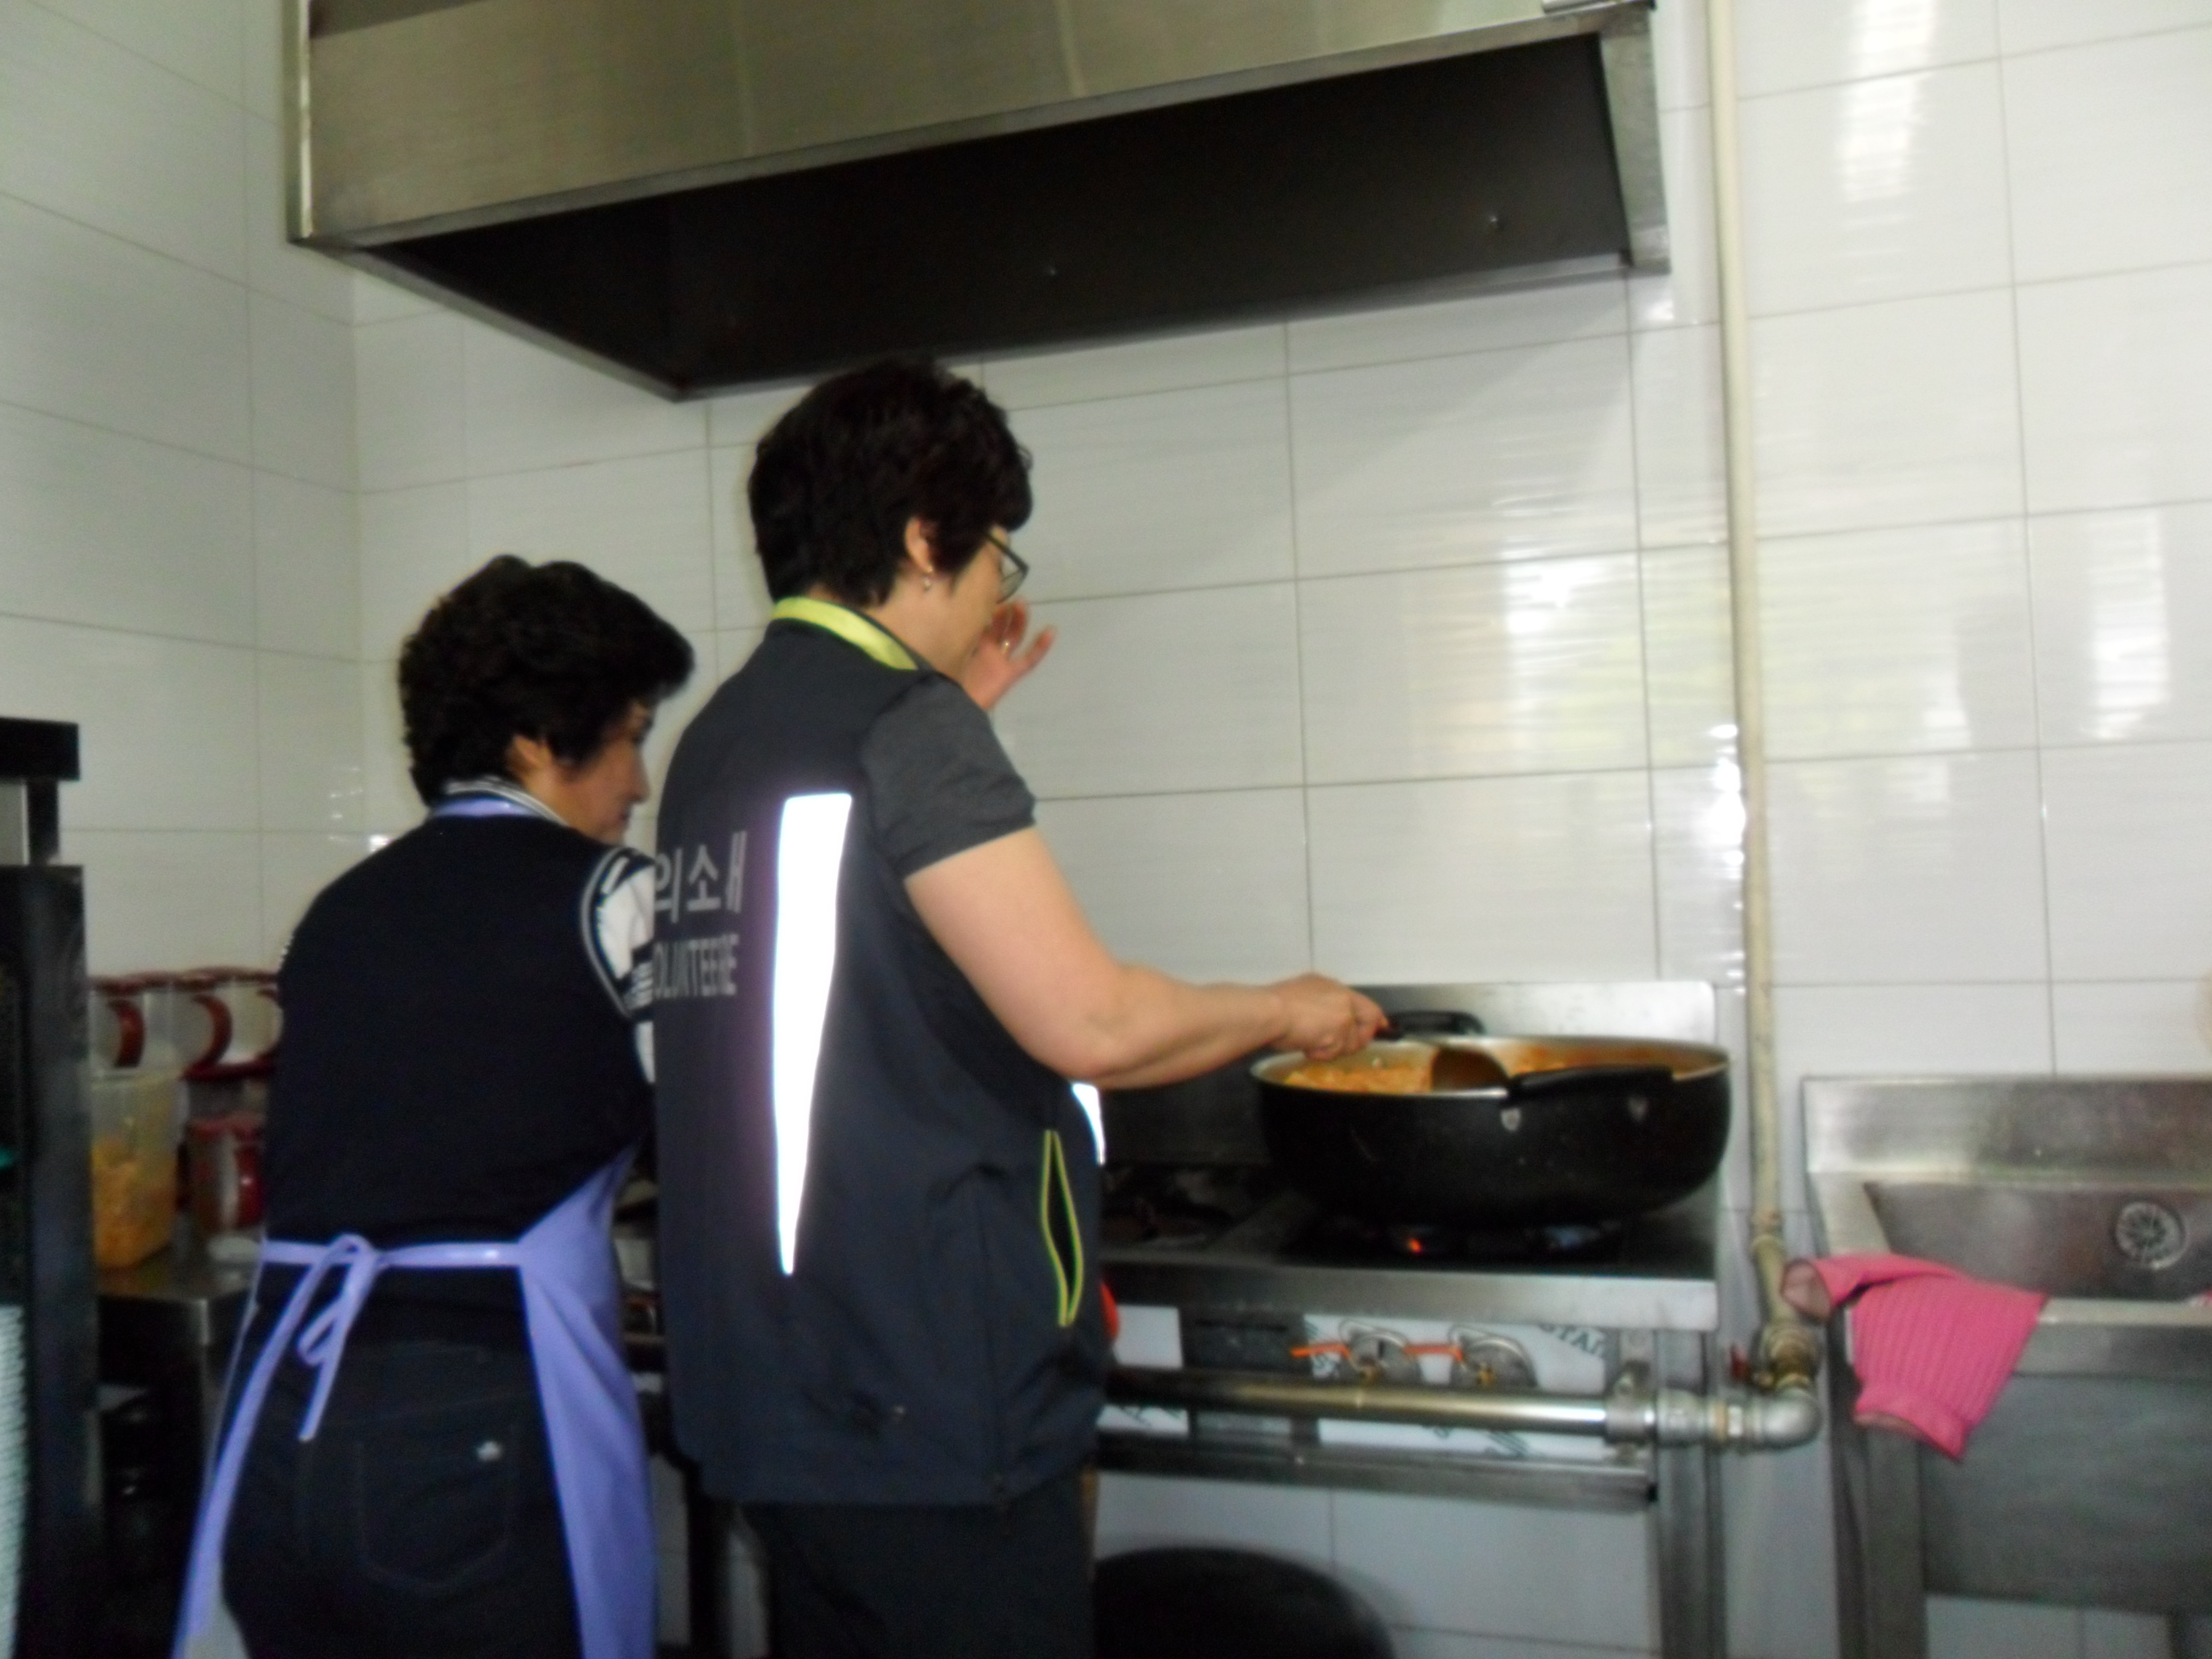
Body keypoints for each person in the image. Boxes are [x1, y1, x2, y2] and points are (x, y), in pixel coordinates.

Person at [652, 358, 1382, 1659]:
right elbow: (1090, 1024)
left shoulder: (725, 739)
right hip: (922, 1397)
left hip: (781, 1389)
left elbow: (859, 973)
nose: (1001, 589)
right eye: (997, 553)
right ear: (923, 540)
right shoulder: (905, 731)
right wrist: (1286, 1009)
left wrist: (952, 722)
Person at [173, 556, 694, 1659]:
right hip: (474, 1438)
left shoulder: (337, 914)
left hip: (287, 1418)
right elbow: (714, 1143)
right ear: (540, 739)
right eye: (631, 736)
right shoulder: (616, 898)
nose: (640, 782)